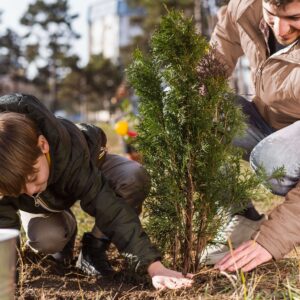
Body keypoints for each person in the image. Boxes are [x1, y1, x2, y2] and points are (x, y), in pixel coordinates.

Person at [0, 93, 193, 290]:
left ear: (43, 145)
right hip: (47, 202)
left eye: (32, 177)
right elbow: (3, 223)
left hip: (87, 166)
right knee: (47, 237)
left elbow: (110, 208)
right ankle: (65, 232)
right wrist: (6, 277)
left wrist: (153, 267)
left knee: (133, 177)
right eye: (19, 187)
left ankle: (94, 248)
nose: (30, 190)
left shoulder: (71, 152)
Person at [200, 0, 300, 272]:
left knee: (272, 159)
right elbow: (218, 53)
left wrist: (272, 240)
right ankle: (241, 216)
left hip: (285, 149)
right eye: (271, 15)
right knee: (198, 112)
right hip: (269, 124)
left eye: (295, 18)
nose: (281, 30)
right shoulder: (246, 7)